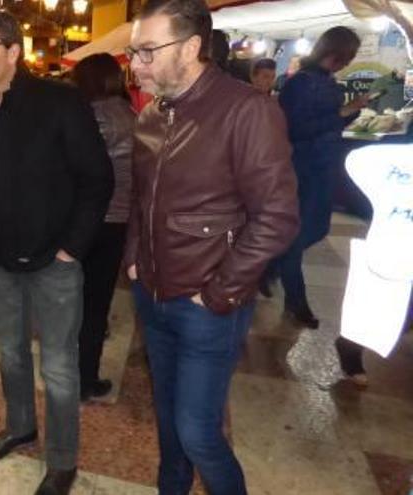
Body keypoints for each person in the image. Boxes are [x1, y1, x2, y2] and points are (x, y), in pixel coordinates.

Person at [123, 0, 299, 493]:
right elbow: (140, 197)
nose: (137, 64)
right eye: (135, 52)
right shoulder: (153, 114)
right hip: (153, 293)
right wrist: (134, 257)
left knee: (198, 432)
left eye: (147, 51)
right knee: (168, 423)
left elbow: (278, 217)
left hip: (207, 303)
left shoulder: (247, 110)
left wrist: (220, 292)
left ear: (193, 47)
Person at [0, 10, 113, 495]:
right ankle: (20, 425)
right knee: (9, 355)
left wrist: (72, 249)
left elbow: (98, 180)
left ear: (12, 52)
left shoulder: (60, 103)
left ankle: (63, 459)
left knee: (61, 367)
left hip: (55, 264)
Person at [274, 27, 369, 328]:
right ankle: (295, 299)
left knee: (315, 229)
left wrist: (352, 112)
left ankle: (270, 267)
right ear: (333, 50)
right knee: (301, 234)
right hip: (303, 168)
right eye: (346, 55)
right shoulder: (301, 82)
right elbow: (295, 129)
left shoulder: (324, 81)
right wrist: (343, 113)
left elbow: (329, 124)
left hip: (324, 165)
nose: (348, 62)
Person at [69, 53, 136, 402]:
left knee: (73, 301)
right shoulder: (130, 114)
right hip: (117, 222)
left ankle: (71, 375)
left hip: (86, 220)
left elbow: (75, 172)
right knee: (96, 304)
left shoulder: (89, 116)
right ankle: (86, 378)